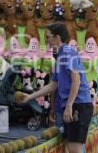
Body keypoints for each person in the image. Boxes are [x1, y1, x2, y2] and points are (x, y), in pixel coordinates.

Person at [22, 22, 93, 153]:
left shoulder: (67, 52)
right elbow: (53, 85)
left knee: (74, 148)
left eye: (48, 37)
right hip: (74, 104)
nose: (46, 40)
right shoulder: (60, 55)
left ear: (57, 38)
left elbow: (76, 81)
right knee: (69, 145)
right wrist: (29, 96)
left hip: (79, 105)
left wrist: (69, 106)